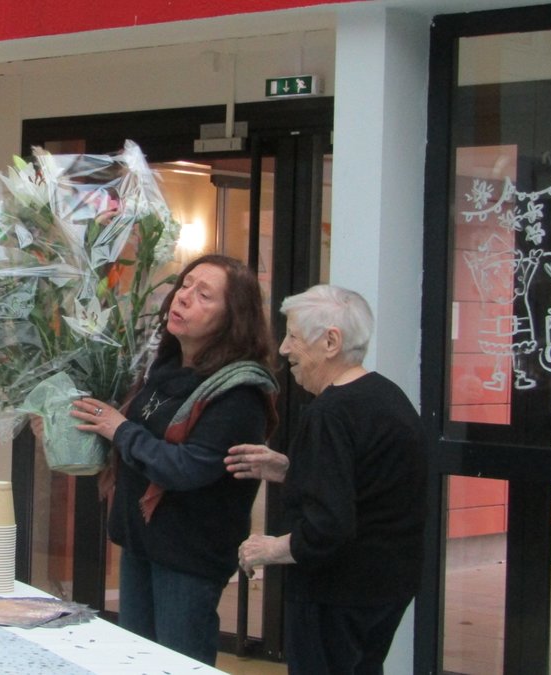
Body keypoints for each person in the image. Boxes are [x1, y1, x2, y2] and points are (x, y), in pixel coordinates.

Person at [69, 254, 279, 665]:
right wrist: (69, 427)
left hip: (188, 557)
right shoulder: (163, 366)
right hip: (142, 543)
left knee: (177, 665)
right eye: (185, 285)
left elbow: (188, 467)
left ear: (231, 318)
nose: (183, 298)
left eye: (203, 295)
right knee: (136, 662)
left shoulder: (240, 393)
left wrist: (119, 429)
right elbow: (132, 441)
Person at [225, 284, 427, 674]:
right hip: (385, 589)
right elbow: (370, 486)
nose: (283, 350)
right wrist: (291, 469)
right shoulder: (388, 397)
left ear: (331, 341)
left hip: (336, 594)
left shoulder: (330, 413)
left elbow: (327, 529)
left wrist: (266, 549)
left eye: (293, 337)